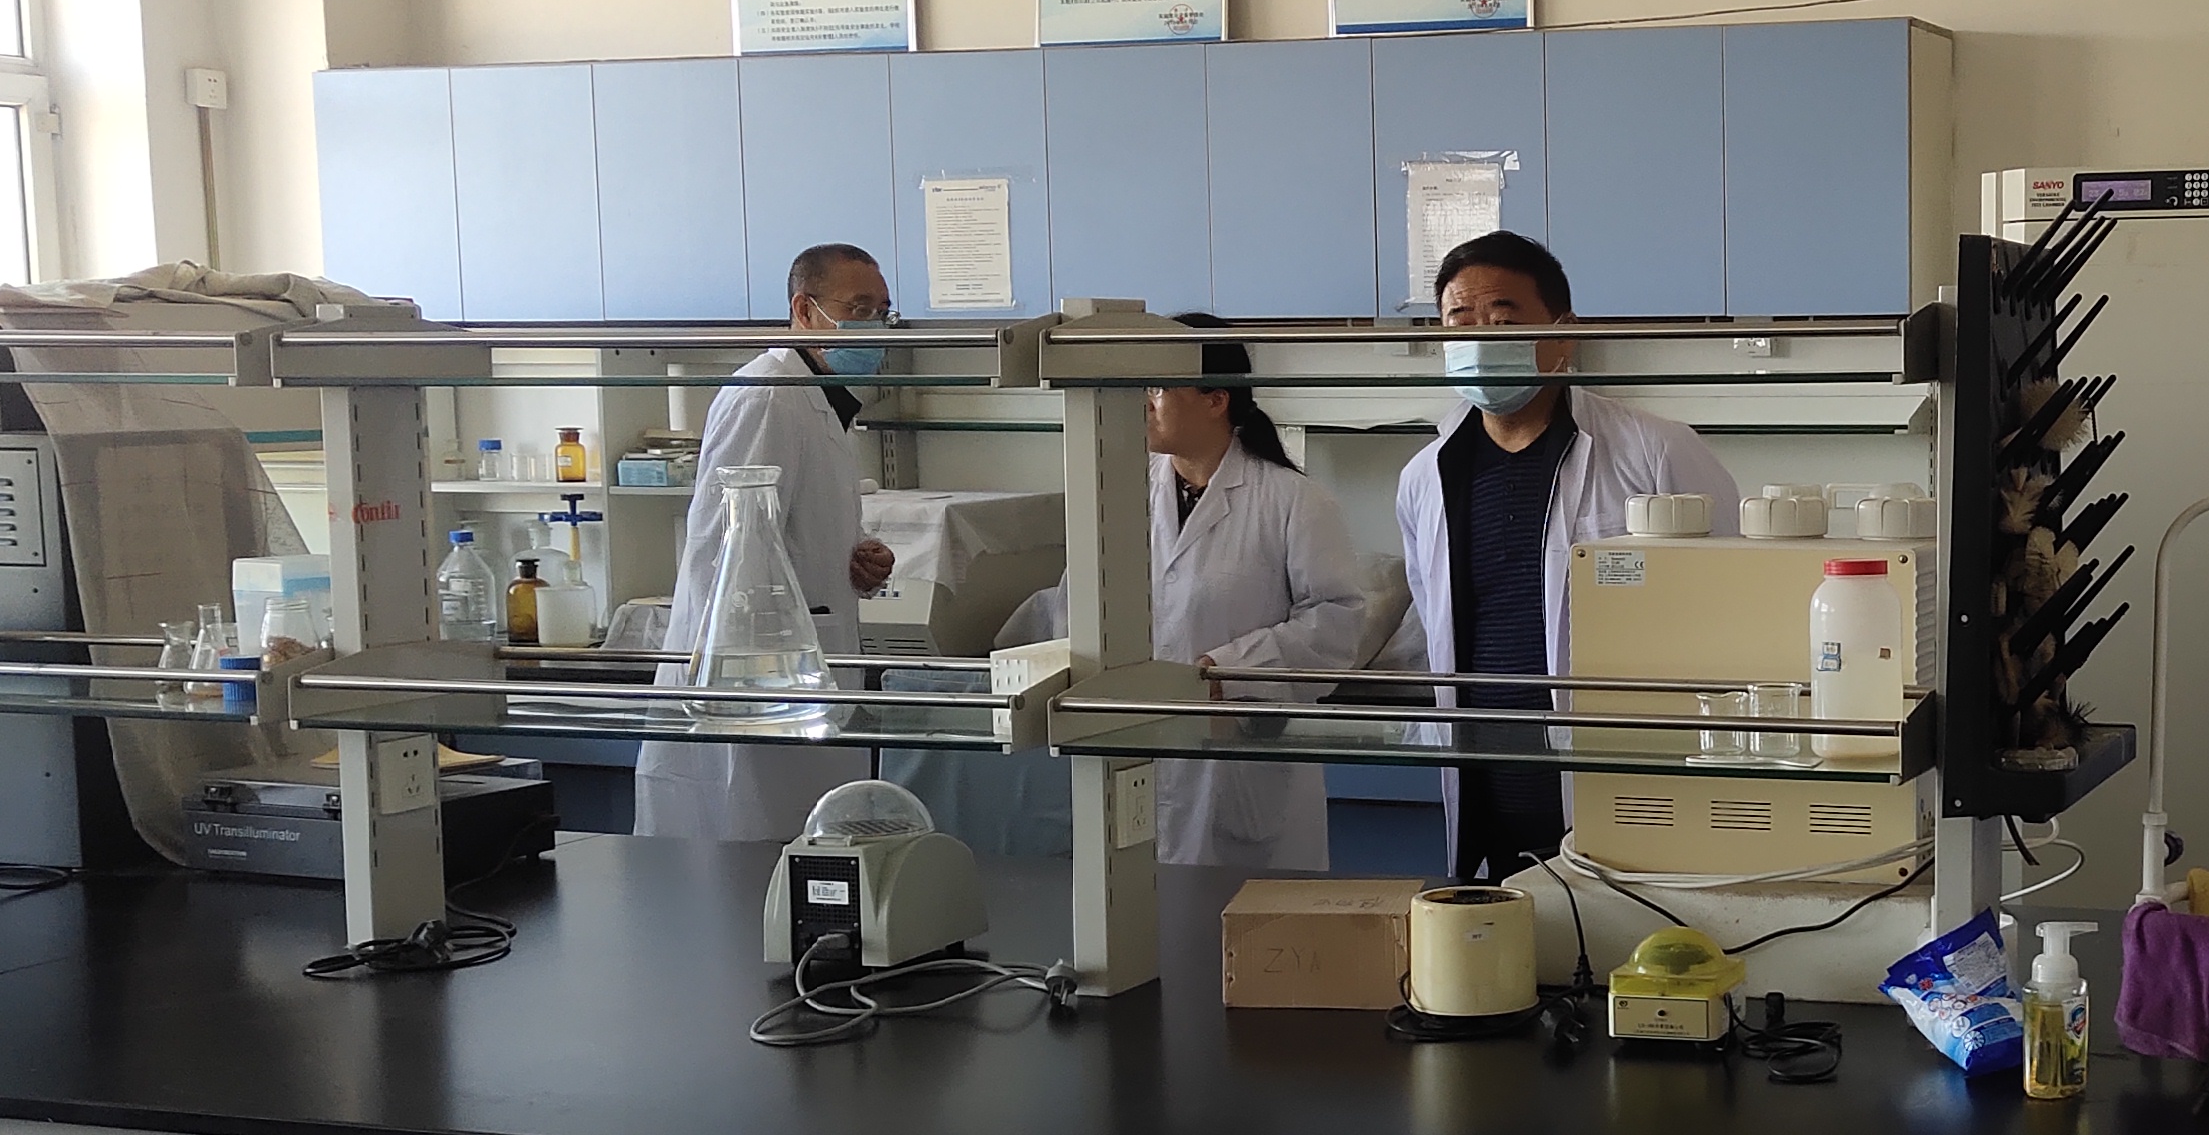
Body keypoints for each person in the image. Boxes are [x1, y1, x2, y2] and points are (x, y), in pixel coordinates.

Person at [1392, 230, 1740, 881]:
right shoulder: (1426, 477)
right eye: (1459, 322)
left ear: (1564, 333)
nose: (1480, 341)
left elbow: (1736, 604)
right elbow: (1434, 625)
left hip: (1625, 777)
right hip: (1487, 783)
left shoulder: (1654, 450)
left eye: (1503, 321)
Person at [992, 314, 1375, 867]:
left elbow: (1336, 624)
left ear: (1215, 400)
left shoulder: (1293, 500)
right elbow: (1077, 604)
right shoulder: (1118, 490)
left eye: (1157, 389)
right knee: (1138, 904)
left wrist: (1225, 670)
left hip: (1240, 753)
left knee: (1246, 912)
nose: (1143, 403)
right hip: (1132, 745)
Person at [634, 243, 903, 843]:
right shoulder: (766, 393)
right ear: (805, 310)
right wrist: (742, 673)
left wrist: (858, 555)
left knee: (809, 851)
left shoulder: (823, 399)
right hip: (751, 679)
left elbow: (793, 524)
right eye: (858, 309)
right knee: (740, 851)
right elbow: (724, 541)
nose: (873, 326)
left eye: (882, 312)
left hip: (802, 679)